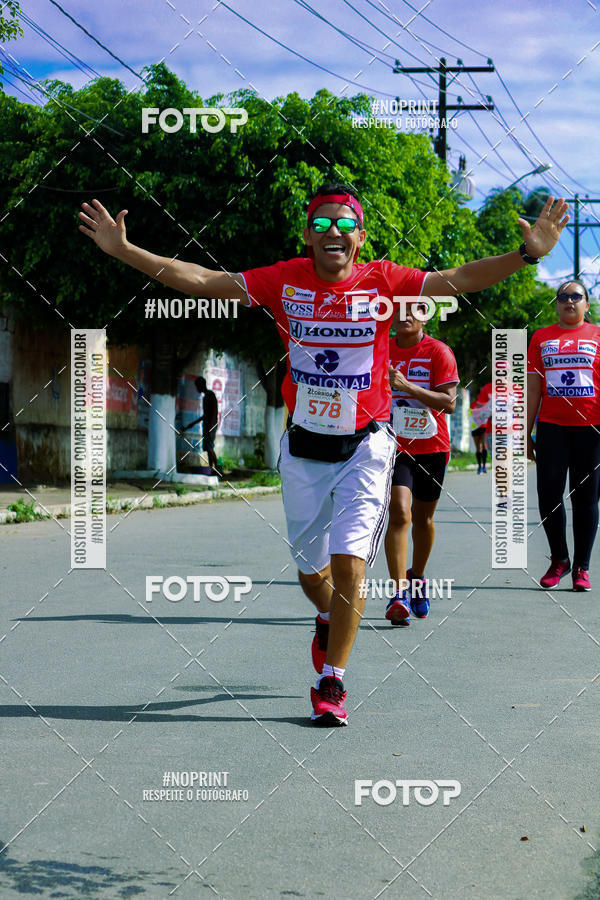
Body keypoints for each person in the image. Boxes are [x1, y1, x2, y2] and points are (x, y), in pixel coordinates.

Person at [79, 184, 568, 727]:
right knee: (313, 576)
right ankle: (324, 615)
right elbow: (201, 279)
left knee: (350, 561)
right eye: (321, 224)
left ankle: (331, 680)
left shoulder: (385, 281)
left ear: (360, 236)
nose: (333, 232)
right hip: (304, 449)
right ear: (307, 236)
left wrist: (526, 256)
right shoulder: (284, 279)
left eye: (344, 224)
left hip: (367, 444)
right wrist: (125, 251)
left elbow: (458, 278)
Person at [384, 303, 458, 626]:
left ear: (425, 315)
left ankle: (418, 578)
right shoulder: (380, 348)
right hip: (394, 444)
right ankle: (398, 592)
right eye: (397, 309)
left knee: (423, 520)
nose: (404, 315)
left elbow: (449, 402)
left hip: (432, 445)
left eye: (413, 309)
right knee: (399, 512)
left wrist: (406, 387)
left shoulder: (439, 352)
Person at [527, 280, 600, 592]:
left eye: (576, 296)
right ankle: (559, 559)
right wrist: (525, 431)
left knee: (586, 499)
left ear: (586, 303)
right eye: (563, 297)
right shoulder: (541, 338)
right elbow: (532, 388)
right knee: (548, 497)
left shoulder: (597, 336)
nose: (569, 301)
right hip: (552, 428)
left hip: (592, 430)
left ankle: (582, 567)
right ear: (556, 304)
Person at [186, 376, 219, 473]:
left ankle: (217, 469)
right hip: (207, 425)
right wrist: (193, 423)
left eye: (197, 386)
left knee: (209, 448)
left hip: (210, 426)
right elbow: (205, 415)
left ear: (202, 385)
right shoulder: (206, 397)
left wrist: (211, 426)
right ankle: (211, 469)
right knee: (208, 448)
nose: (197, 389)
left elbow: (213, 412)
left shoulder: (210, 395)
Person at [470, 382, 492, 473]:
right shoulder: (473, 404)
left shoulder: (487, 403)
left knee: (484, 446)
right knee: (478, 447)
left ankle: (484, 466)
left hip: (483, 427)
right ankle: (479, 467)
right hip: (475, 428)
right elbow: (470, 415)